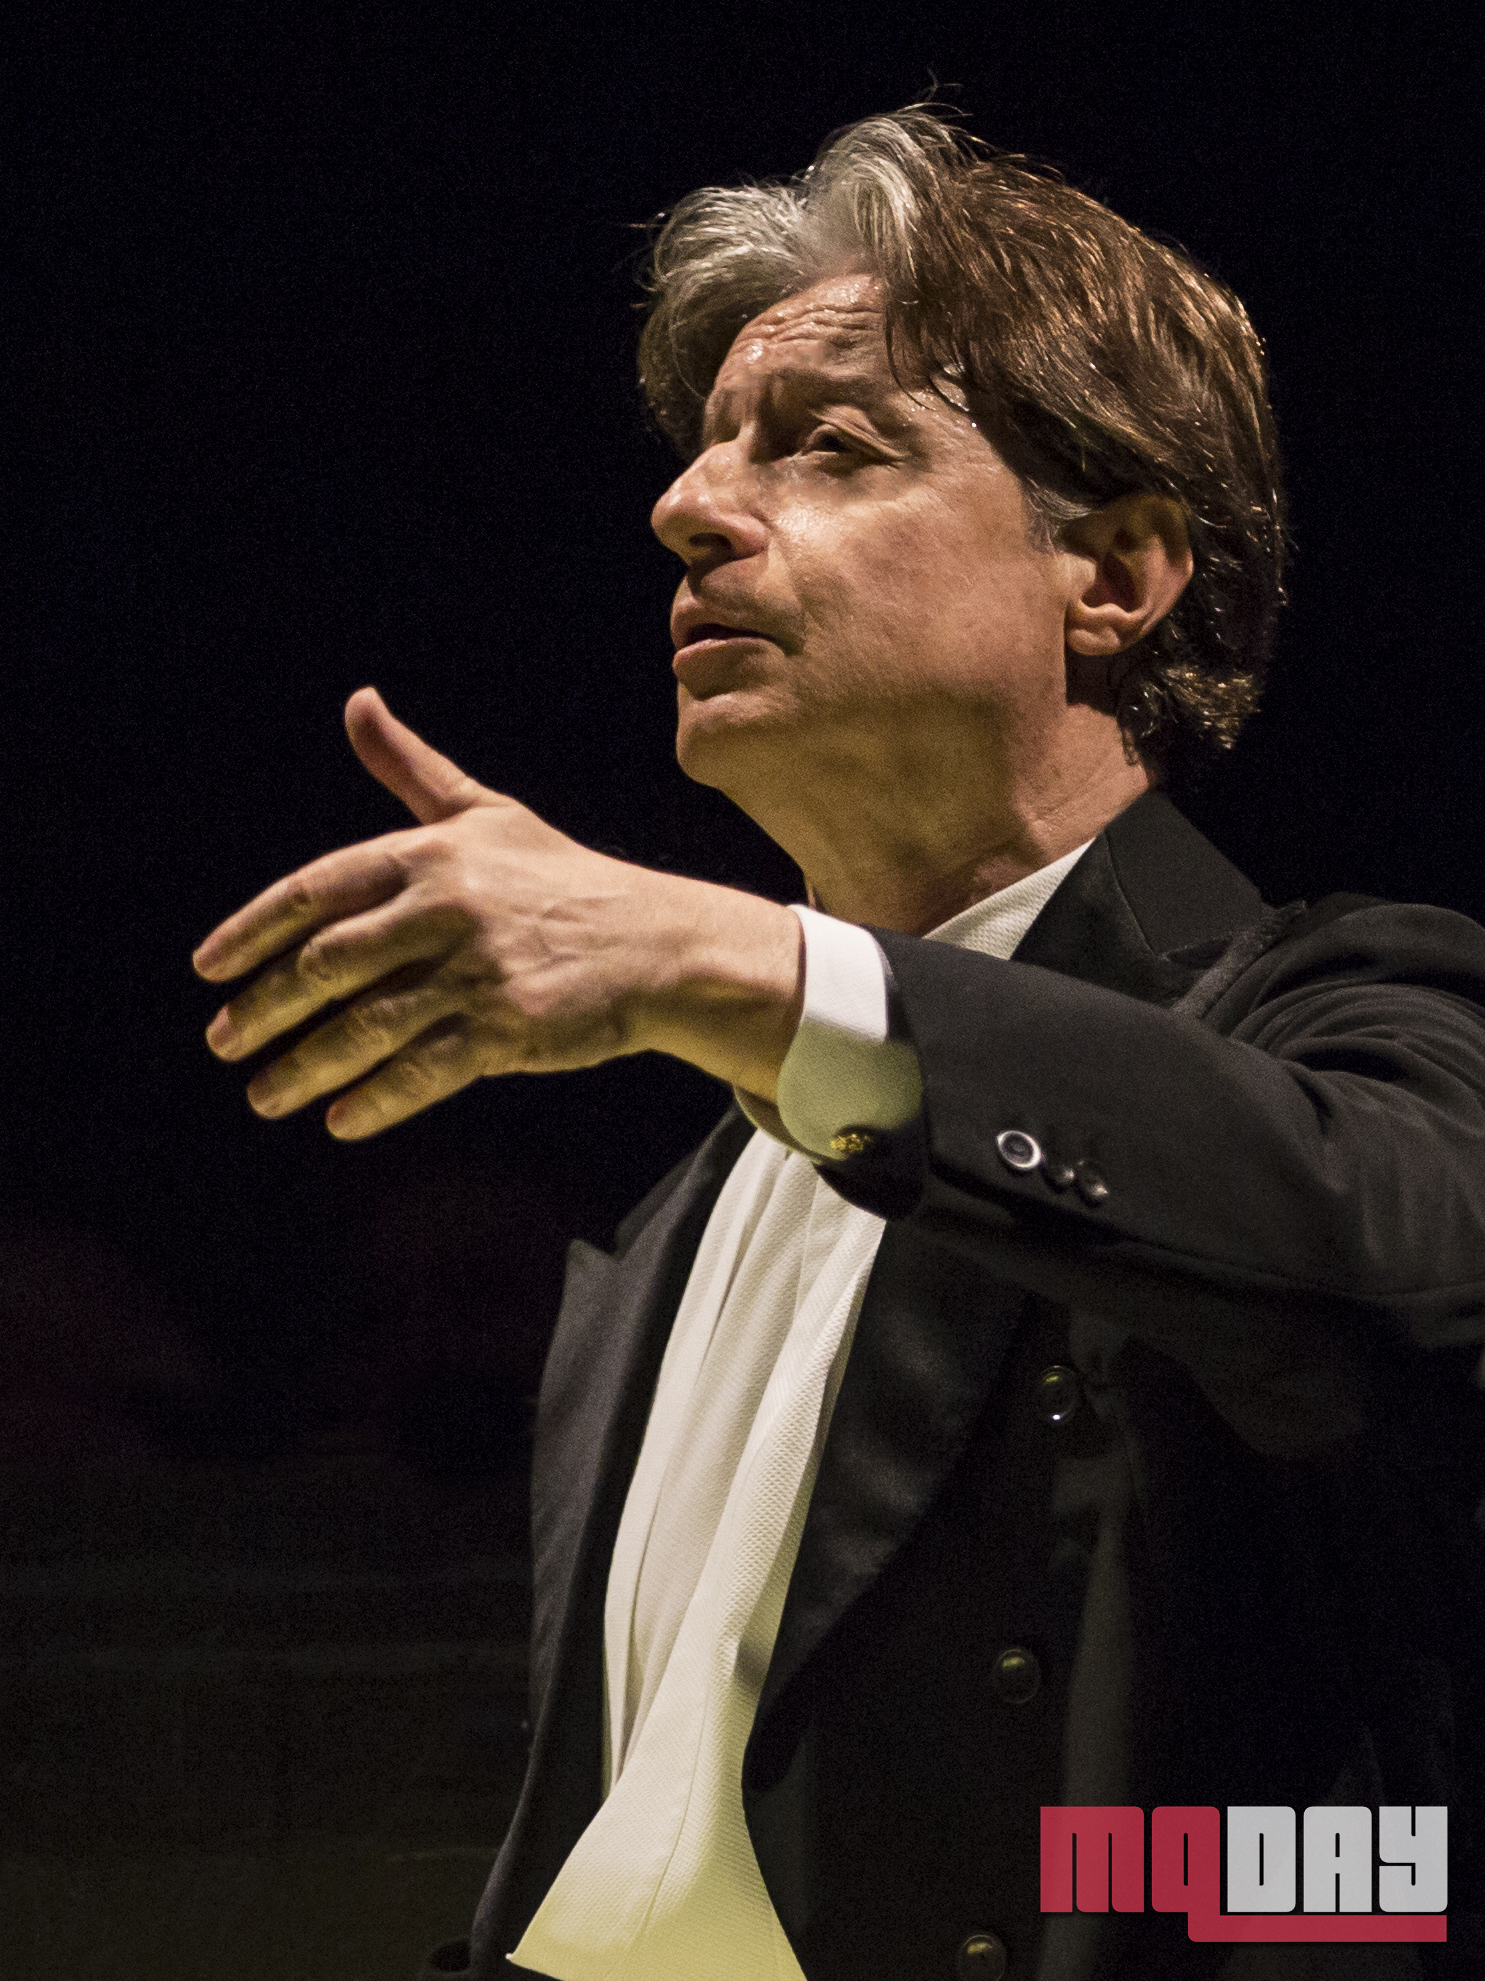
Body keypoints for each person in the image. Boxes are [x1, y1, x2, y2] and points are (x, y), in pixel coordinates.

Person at [194, 108, 1485, 1980]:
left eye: (828, 446)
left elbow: (1376, 1281)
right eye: (710, 446)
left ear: (1114, 573)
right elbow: (615, 1859)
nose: (689, 506)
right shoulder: (667, 1231)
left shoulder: (1351, 1016)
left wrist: (728, 958)